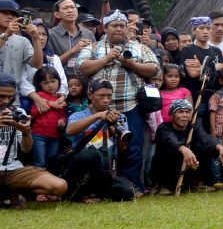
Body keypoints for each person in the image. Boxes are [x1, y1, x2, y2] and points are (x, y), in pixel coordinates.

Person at [76, 9, 160, 193]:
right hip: (100, 110)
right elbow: (81, 67)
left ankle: (132, 187)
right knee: (99, 147)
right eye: (114, 25)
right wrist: (107, 58)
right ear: (105, 28)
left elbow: (154, 69)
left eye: (122, 25)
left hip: (132, 106)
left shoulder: (139, 47)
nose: (119, 29)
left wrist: (130, 64)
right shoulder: (93, 47)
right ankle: (98, 189)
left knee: (133, 148)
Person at [0, 73, 67, 205]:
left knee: (60, 186)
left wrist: (26, 132)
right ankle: (9, 195)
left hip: (12, 168)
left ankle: (8, 193)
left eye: (10, 96)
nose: (6, 101)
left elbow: (26, 149)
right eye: (1, 96)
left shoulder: (17, 112)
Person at [64, 79, 134, 202]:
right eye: (101, 96)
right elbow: (70, 130)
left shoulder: (119, 117)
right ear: (90, 95)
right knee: (90, 155)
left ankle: (96, 193)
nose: (106, 100)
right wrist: (98, 116)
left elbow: (122, 148)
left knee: (127, 192)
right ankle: (80, 194)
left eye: (109, 96)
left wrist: (117, 134)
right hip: (81, 168)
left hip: (105, 169)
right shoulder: (79, 115)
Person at [150, 99, 223, 194]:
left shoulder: (193, 127)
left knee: (207, 148)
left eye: (187, 112)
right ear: (171, 115)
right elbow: (170, 140)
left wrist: (221, 148)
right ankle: (163, 185)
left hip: (188, 169)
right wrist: (184, 149)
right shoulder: (163, 128)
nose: (184, 115)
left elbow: (204, 138)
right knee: (173, 152)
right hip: (167, 170)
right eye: (180, 112)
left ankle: (196, 182)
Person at [19, 20, 68, 113]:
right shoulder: (22, 56)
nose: (40, 38)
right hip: (30, 100)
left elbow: (62, 79)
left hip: (54, 100)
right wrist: (37, 99)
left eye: (44, 34)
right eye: (37, 33)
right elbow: (22, 81)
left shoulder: (54, 58)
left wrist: (61, 96)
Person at [0, 0, 43, 104]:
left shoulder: (22, 40)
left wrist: (36, 38)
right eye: (5, 13)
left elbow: (38, 64)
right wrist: (6, 35)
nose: (10, 17)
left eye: (14, 15)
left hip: (11, 99)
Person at [48, 0, 96, 76]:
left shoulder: (88, 33)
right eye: (65, 8)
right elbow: (50, 64)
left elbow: (96, 59)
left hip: (85, 80)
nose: (70, 10)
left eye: (72, 7)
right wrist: (74, 50)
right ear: (57, 14)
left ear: (77, 12)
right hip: (61, 81)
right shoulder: (50, 34)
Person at [30, 66, 67, 170]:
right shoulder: (40, 96)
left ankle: (50, 185)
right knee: (40, 164)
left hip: (55, 137)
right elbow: (33, 113)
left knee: (52, 164)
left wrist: (63, 120)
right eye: (45, 83)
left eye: (53, 81)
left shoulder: (60, 99)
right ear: (40, 84)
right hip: (39, 135)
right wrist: (51, 105)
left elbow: (63, 115)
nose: (50, 85)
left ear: (58, 82)